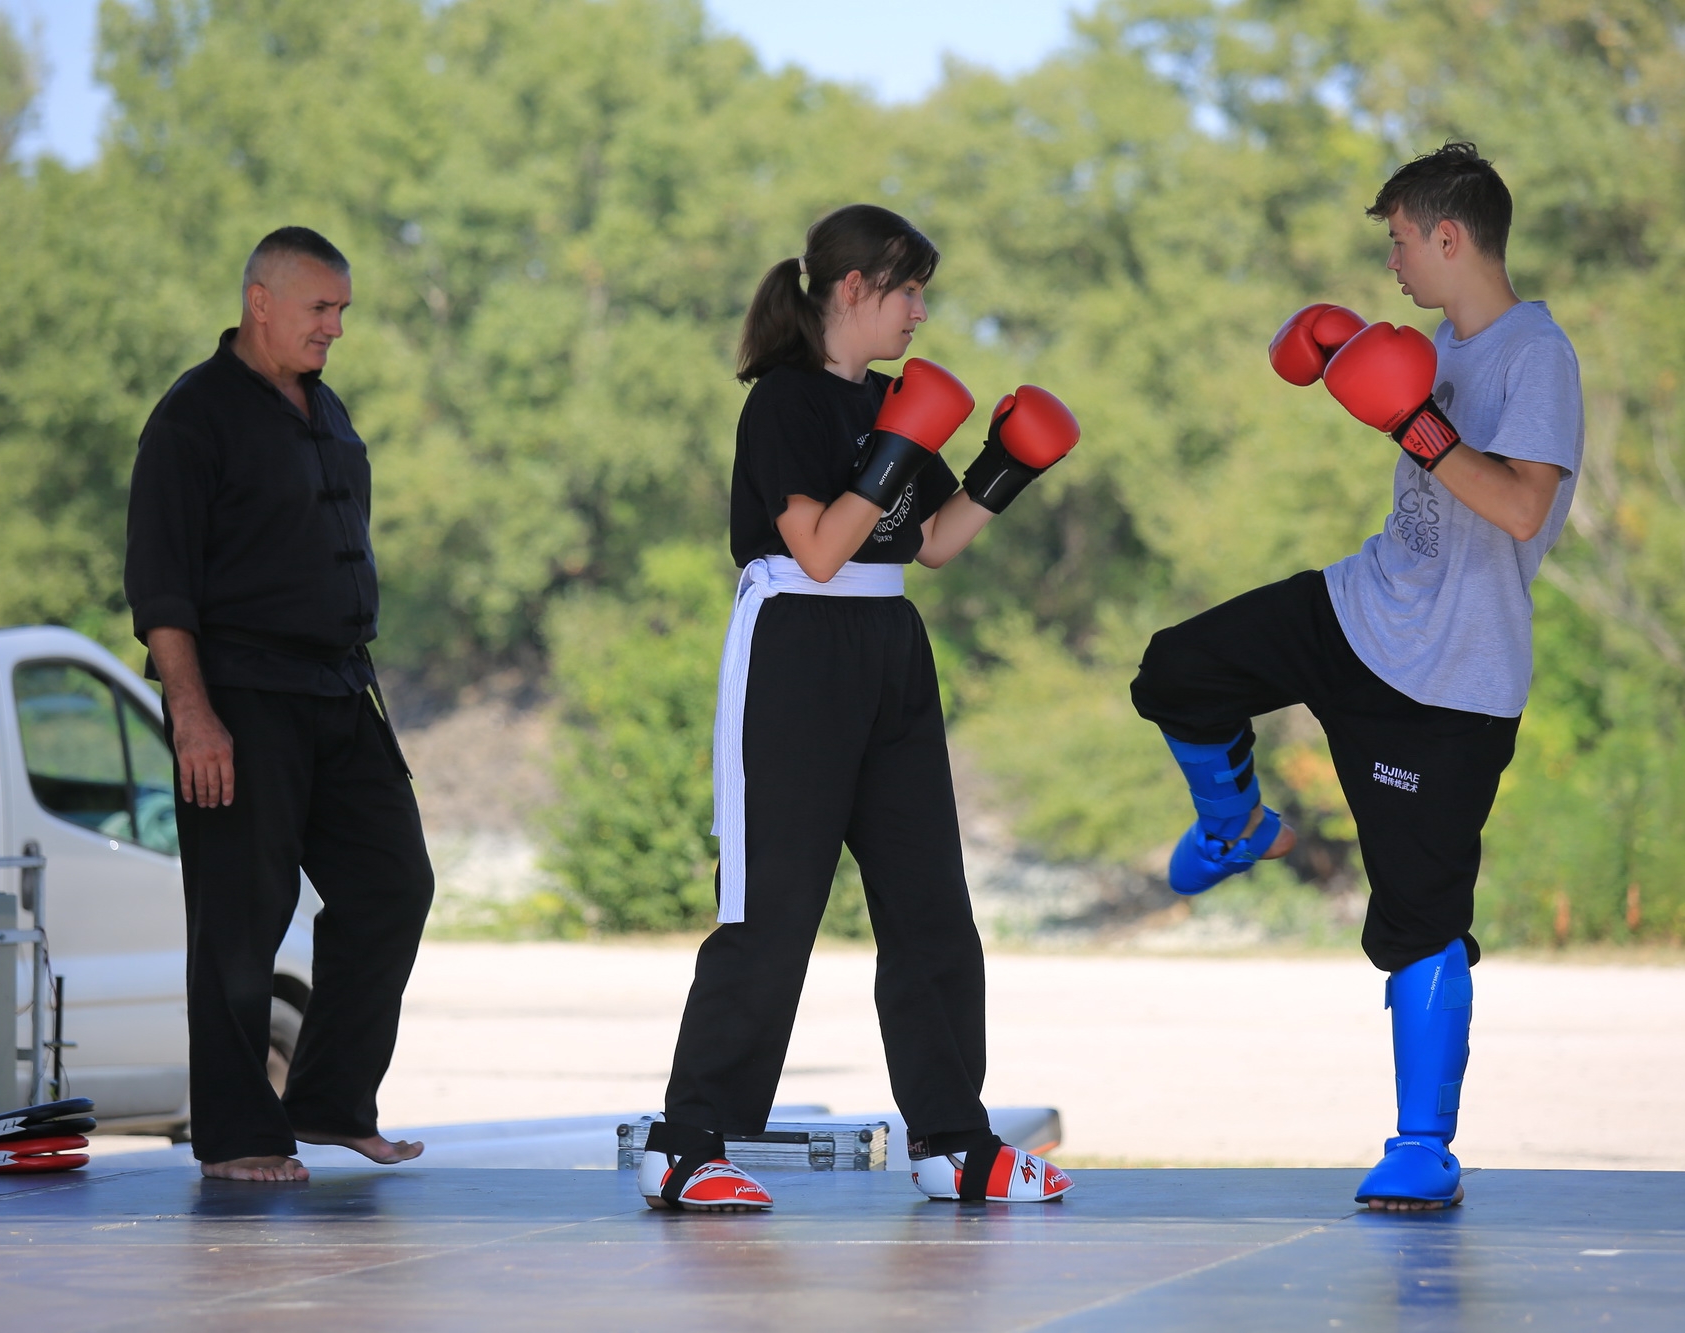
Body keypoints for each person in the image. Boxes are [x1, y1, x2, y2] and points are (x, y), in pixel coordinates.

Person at [1129, 143, 1583, 1211]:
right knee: (1177, 670)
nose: (1391, 261)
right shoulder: (1436, 342)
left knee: (1419, 920)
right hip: (1359, 608)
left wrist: (1413, 423)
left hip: (1450, 684)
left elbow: (1522, 508)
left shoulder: (1537, 356)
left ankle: (1422, 1148)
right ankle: (1236, 826)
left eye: (1399, 239)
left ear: (1448, 236)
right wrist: (1351, 365)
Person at [636, 204, 1076, 1212]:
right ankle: (686, 1145)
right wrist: (893, 447)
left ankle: (954, 1143)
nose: (920, 311)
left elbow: (933, 543)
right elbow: (821, 549)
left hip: (890, 645)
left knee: (931, 906)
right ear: (852, 289)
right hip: (796, 642)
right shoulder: (784, 403)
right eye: (907, 290)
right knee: (771, 910)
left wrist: (1007, 466)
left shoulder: (890, 399)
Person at [124, 227, 434, 1183]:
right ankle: (236, 1135)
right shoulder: (193, 416)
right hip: (240, 697)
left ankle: (329, 1099)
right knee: (241, 918)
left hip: (341, 688)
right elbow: (161, 585)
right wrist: (193, 714)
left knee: (394, 884)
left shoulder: (325, 406)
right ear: (260, 301)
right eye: (320, 308)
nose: (336, 326)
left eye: (342, 309)